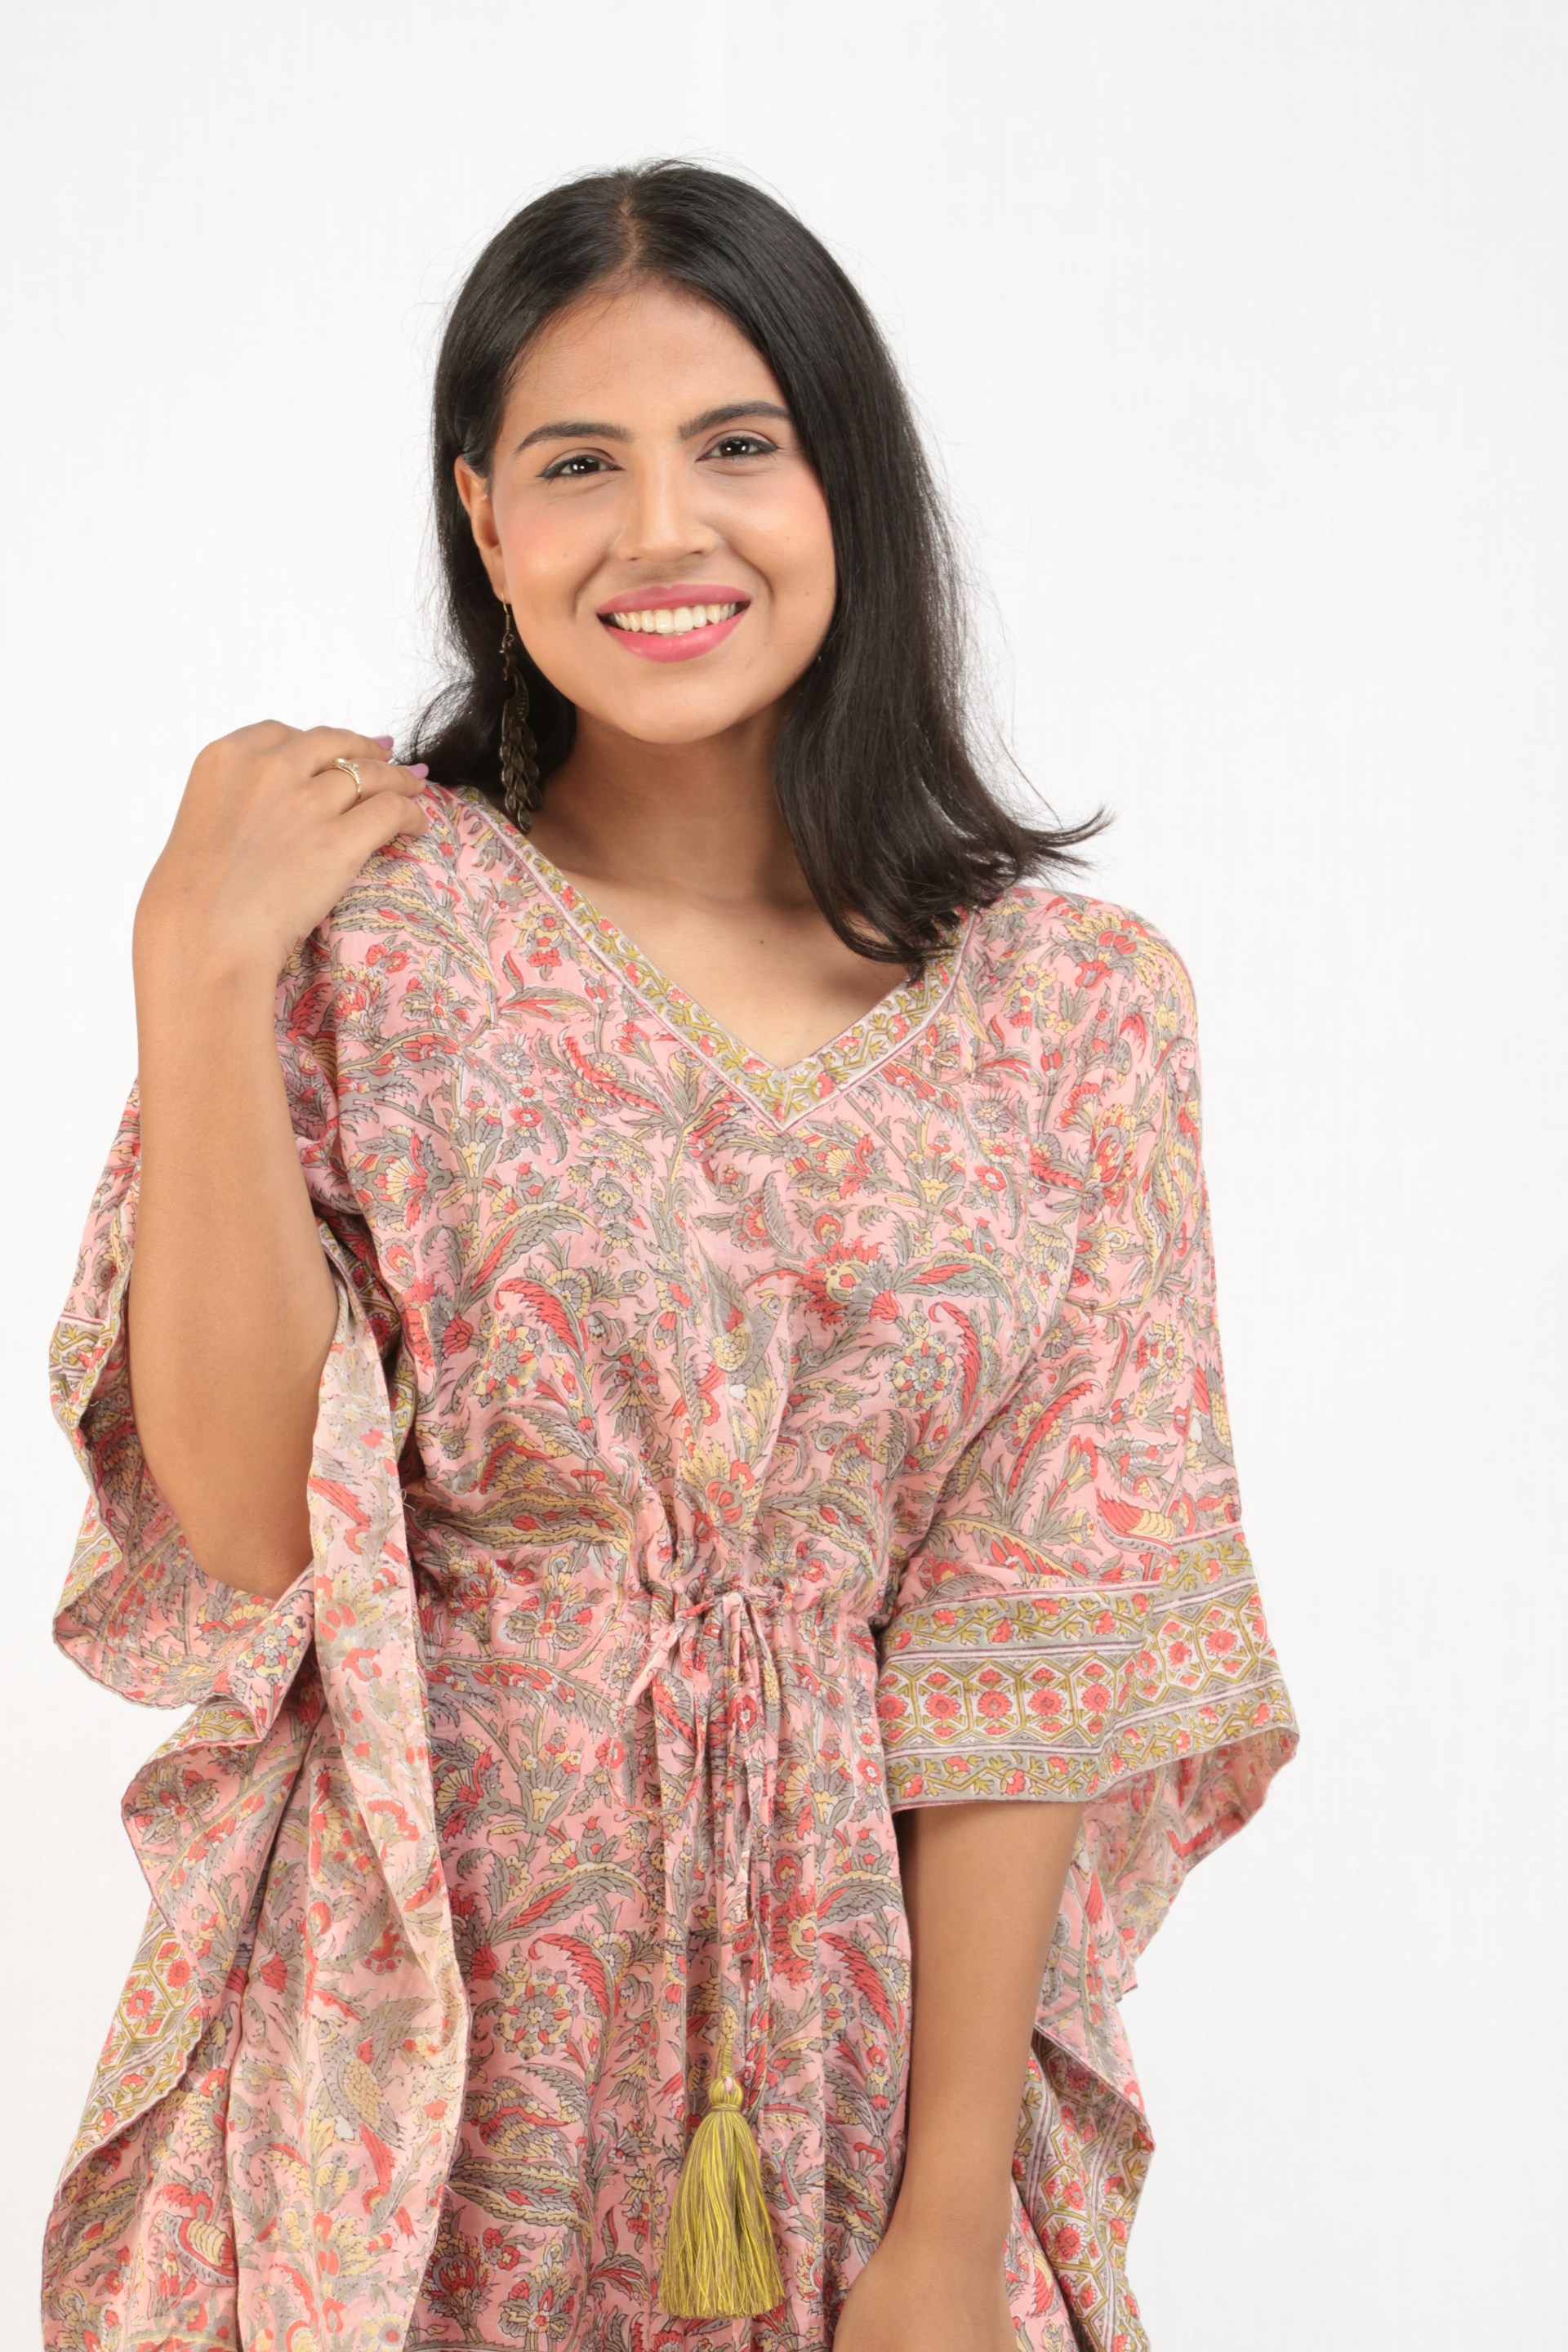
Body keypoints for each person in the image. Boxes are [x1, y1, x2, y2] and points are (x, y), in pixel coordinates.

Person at [42, 162, 1297, 2352]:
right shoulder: (357, 932)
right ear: (482, 518)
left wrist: (948, 2222)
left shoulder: (1075, 1017)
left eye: (737, 445)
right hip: (411, 2050)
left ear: (849, 482)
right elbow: (248, 1532)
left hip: (850, 2069)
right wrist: (197, 971)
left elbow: (1034, 1644)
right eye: (576, 465)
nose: (661, 531)